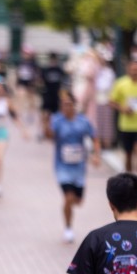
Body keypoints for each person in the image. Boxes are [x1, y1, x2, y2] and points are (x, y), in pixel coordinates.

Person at [45, 90, 101, 243]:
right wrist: (46, 125)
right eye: (64, 105)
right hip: (62, 167)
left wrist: (96, 155)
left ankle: (71, 207)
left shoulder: (83, 121)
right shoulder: (57, 120)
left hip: (79, 168)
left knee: (78, 201)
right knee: (68, 198)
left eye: (69, 104)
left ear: (75, 105)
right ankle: (68, 228)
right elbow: (50, 136)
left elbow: (94, 137)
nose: (66, 107)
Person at [109, 60, 137, 174]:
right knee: (128, 154)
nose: (135, 72)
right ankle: (130, 179)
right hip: (126, 125)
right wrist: (122, 108)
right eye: (133, 70)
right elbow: (111, 102)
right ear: (128, 70)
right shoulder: (120, 83)